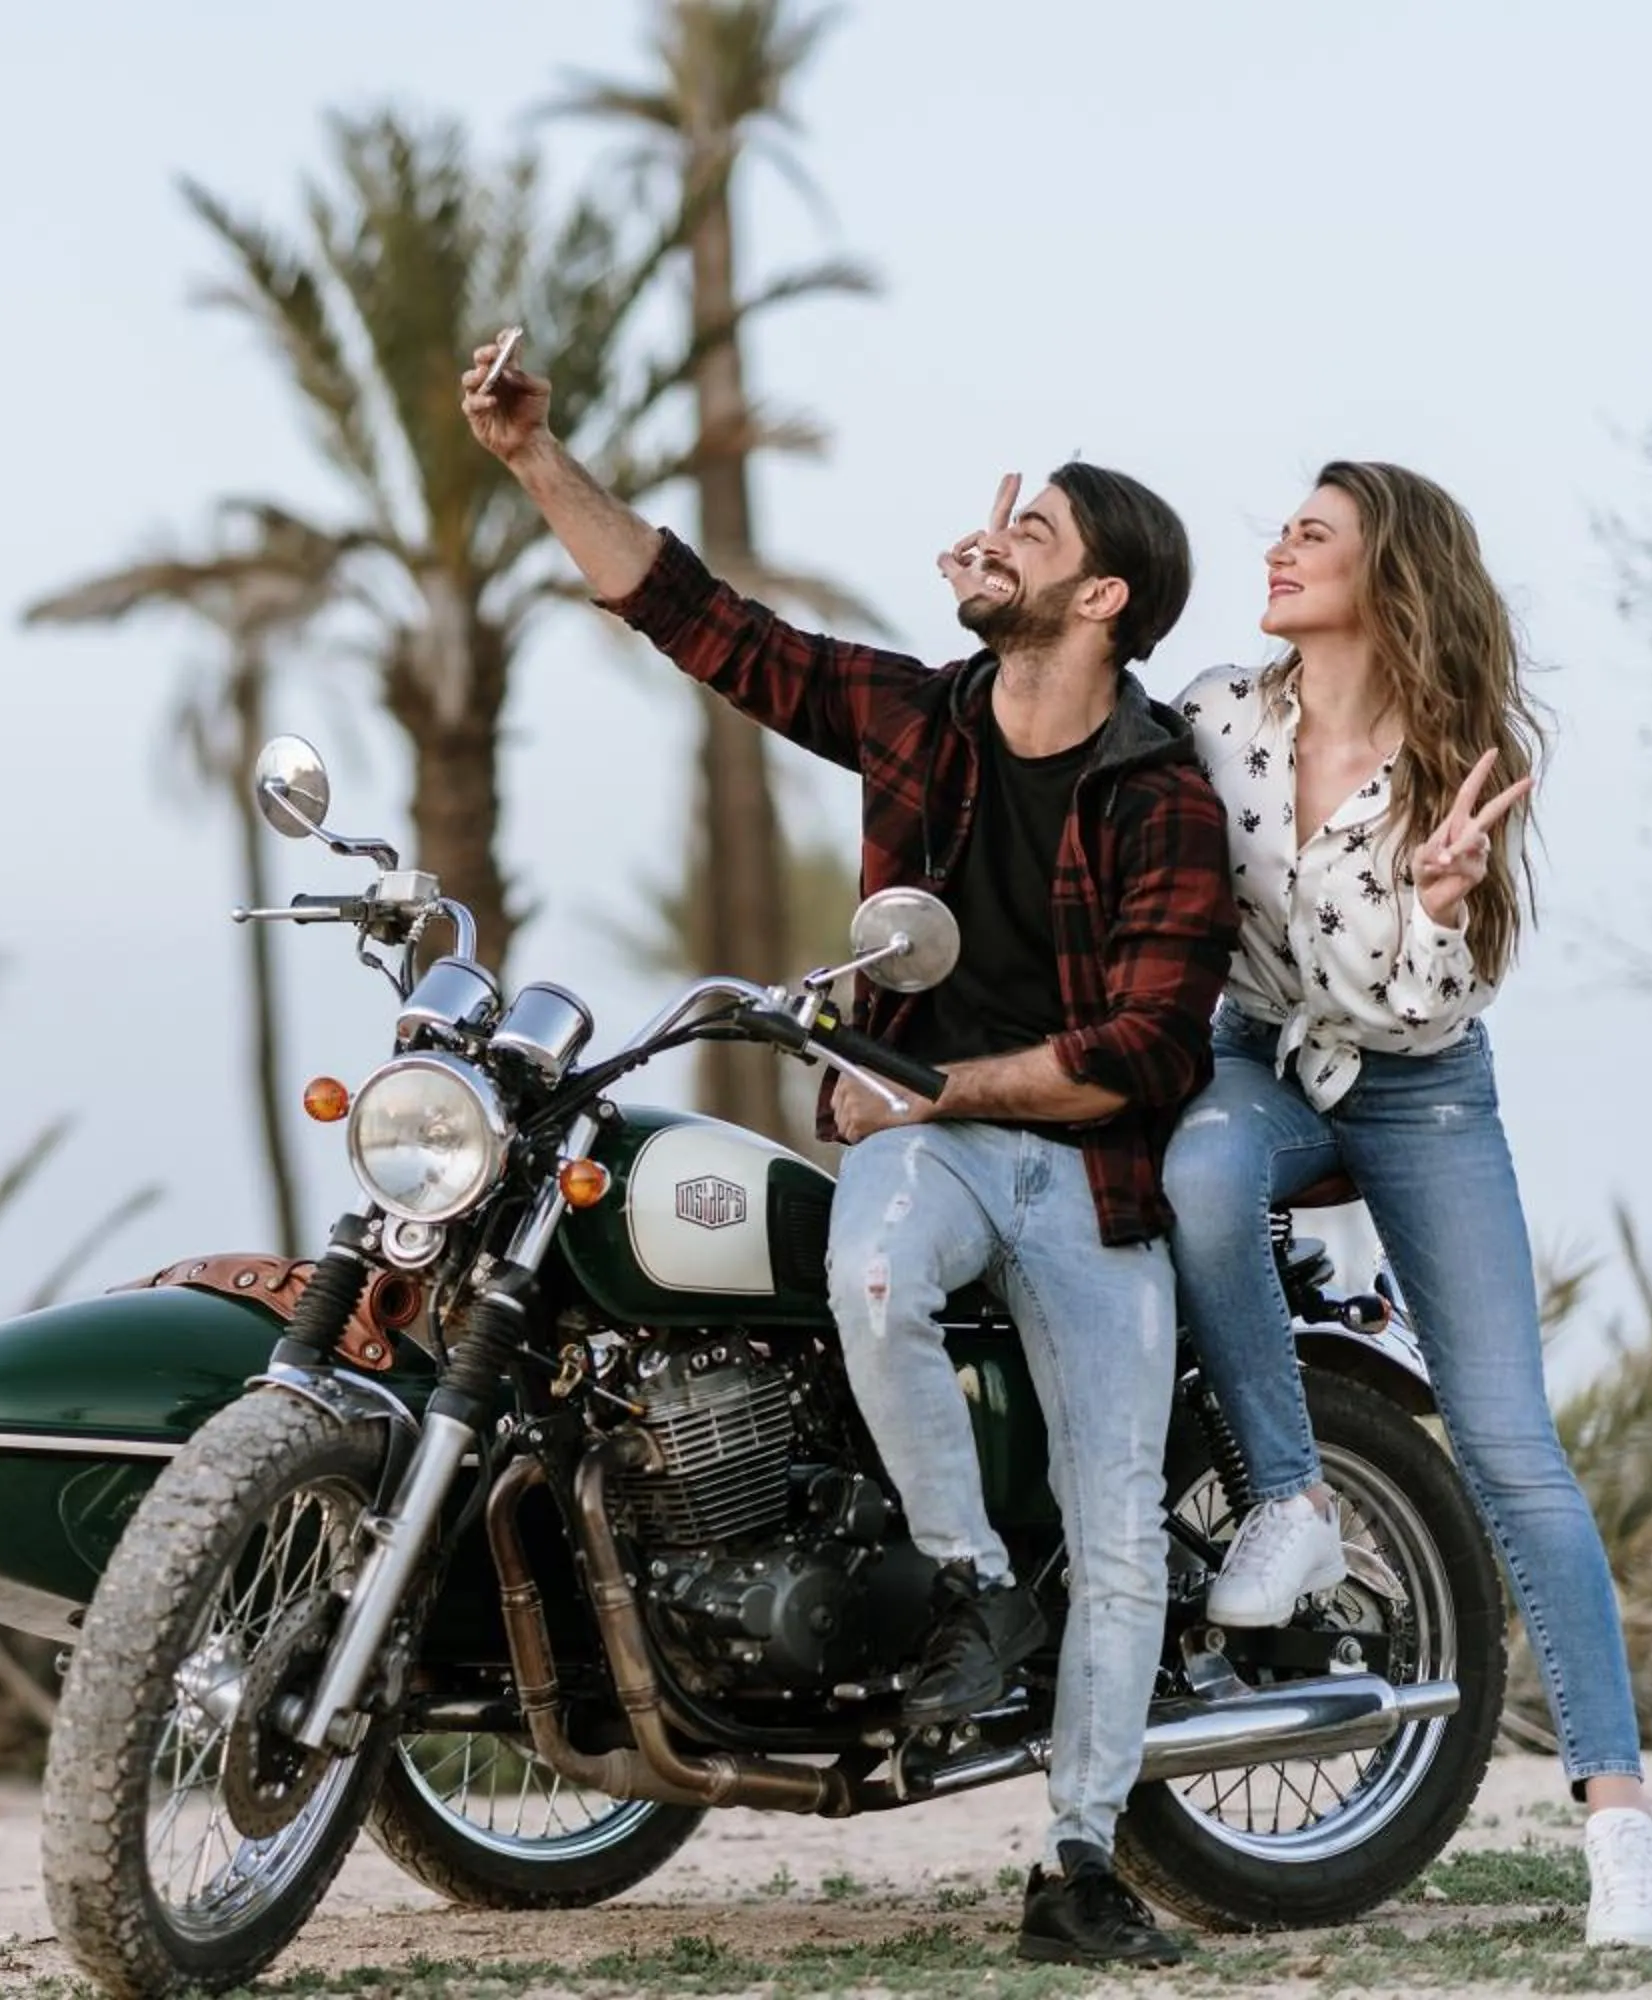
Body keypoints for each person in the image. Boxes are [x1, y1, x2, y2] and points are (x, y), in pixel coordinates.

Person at [463, 338, 1236, 1969]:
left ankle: (1082, 1862)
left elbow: (1151, 1051)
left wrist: (944, 1090)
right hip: (923, 1153)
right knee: (866, 1266)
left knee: (1118, 1530)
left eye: (1042, 532)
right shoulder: (919, 715)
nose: (998, 538)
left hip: (1088, 1173)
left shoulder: (1160, 788)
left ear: (1104, 601)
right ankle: (966, 1583)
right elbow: (705, 625)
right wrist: (538, 460)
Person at [1161, 461, 1652, 1950]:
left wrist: (1444, 905)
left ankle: (1620, 1823)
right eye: (1285, 528)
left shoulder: (1460, 757)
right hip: (1257, 1061)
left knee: (1512, 1449)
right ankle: (1292, 1499)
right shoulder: (1216, 719)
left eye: (1312, 534)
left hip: (1423, 1084)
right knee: (1201, 1171)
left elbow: (1410, 1004)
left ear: (1388, 576)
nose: (1278, 546)